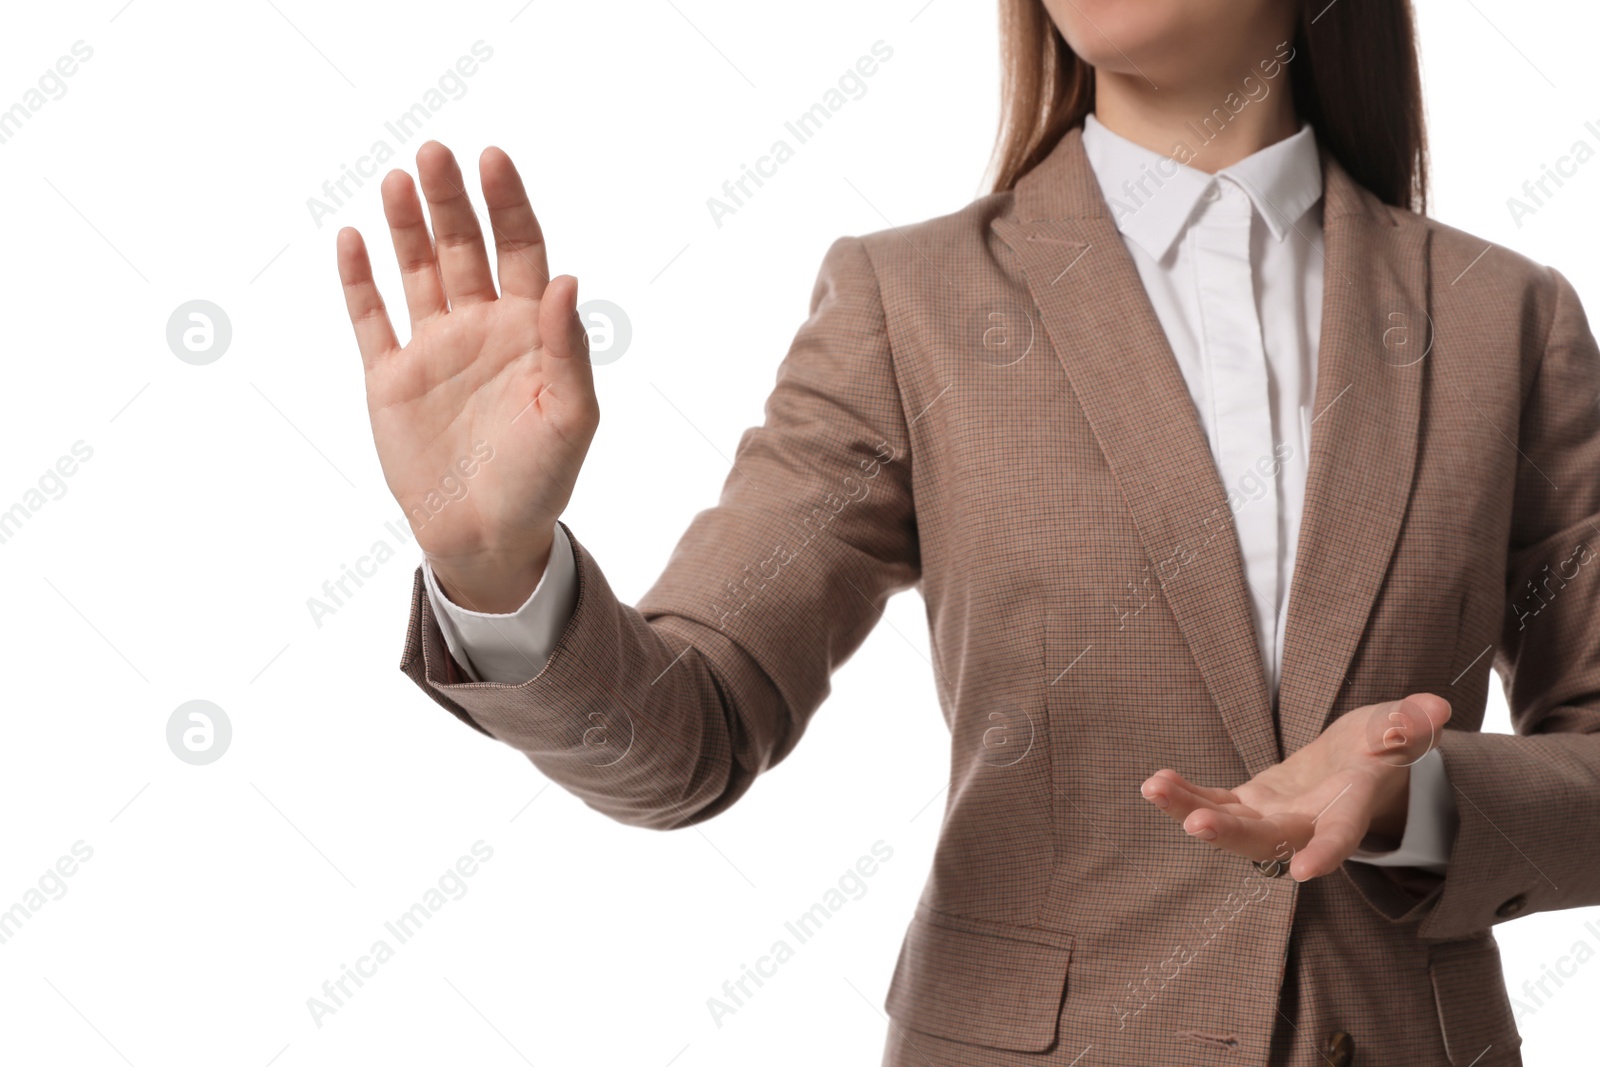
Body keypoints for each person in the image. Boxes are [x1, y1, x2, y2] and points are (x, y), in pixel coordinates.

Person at [333, 1, 1600, 1062]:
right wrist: (495, 565)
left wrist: (1420, 798)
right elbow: (688, 736)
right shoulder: (911, 304)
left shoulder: (1504, 319)